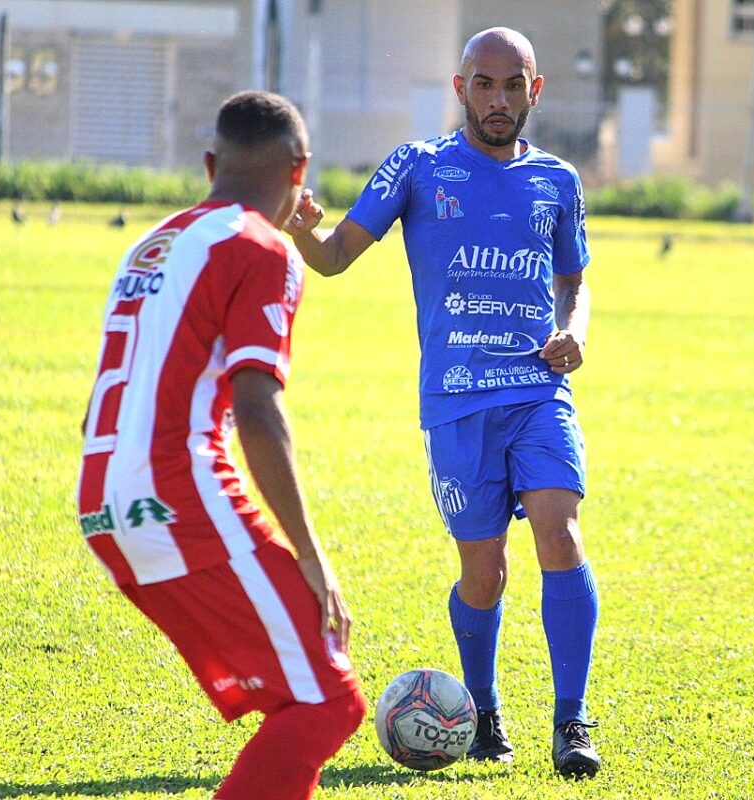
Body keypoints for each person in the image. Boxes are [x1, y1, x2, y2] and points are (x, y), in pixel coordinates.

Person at [285, 27, 601, 779]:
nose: (498, 99)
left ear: (535, 89)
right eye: (484, 85)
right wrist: (303, 231)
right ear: (459, 89)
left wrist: (573, 331)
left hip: (535, 390)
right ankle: (484, 709)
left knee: (560, 536)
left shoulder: (557, 180)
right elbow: (333, 257)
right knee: (483, 572)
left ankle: (572, 722)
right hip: (456, 404)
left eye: (512, 85)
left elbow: (575, 281)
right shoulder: (418, 166)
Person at [76, 91, 365, 800]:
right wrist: (310, 552)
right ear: (302, 171)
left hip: (103, 505)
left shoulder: (153, 240)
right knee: (330, 701)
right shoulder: (262, 247)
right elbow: (258, 410)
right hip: (179, 494)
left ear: (210, 163)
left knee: (294, 694)